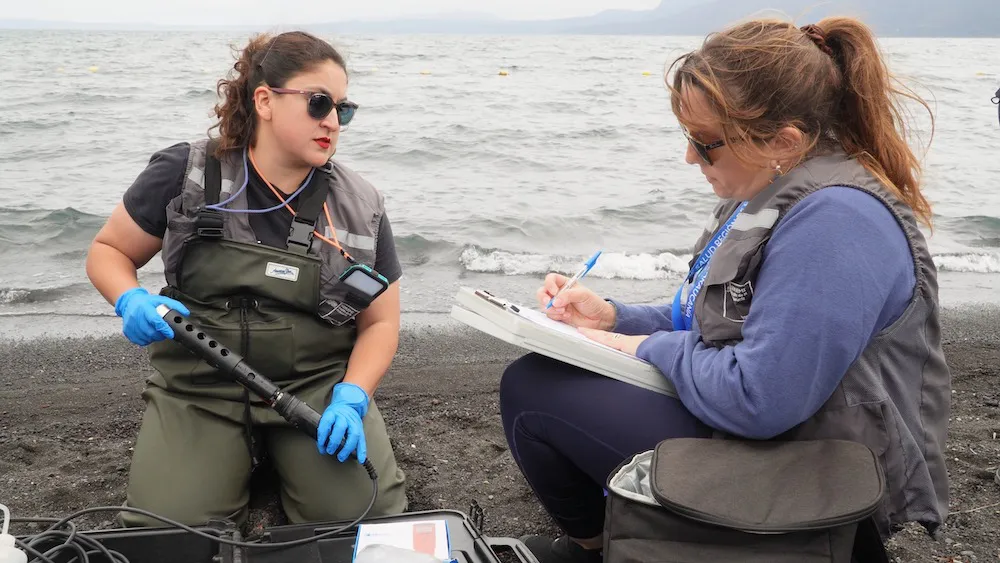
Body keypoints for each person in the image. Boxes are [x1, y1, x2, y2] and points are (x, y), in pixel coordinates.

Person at [500, 16, 951, 563]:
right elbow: (708, 323)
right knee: (543, 376)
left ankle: (600, 548)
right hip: (778, 436)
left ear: (784, 140)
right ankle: (612, 542)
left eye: (705, 142)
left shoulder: (838, 221)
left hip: (819, 470)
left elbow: (759, 398)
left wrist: (642, 348)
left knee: (537, 392)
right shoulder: (765, 193)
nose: (691, 157)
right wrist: (613, 319)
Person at [85, 30, 407, 527]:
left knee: (364, 520)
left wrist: (353, 395)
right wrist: (128, 297)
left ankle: (287, 463)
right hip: (198, 388)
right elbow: (108, 251)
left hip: (313, 387)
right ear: (265, 101)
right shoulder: (187, 172)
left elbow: (381, 322)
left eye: (343, 109)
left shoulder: (360, 205)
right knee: (165, 532)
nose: (332, 122)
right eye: (319, 103)